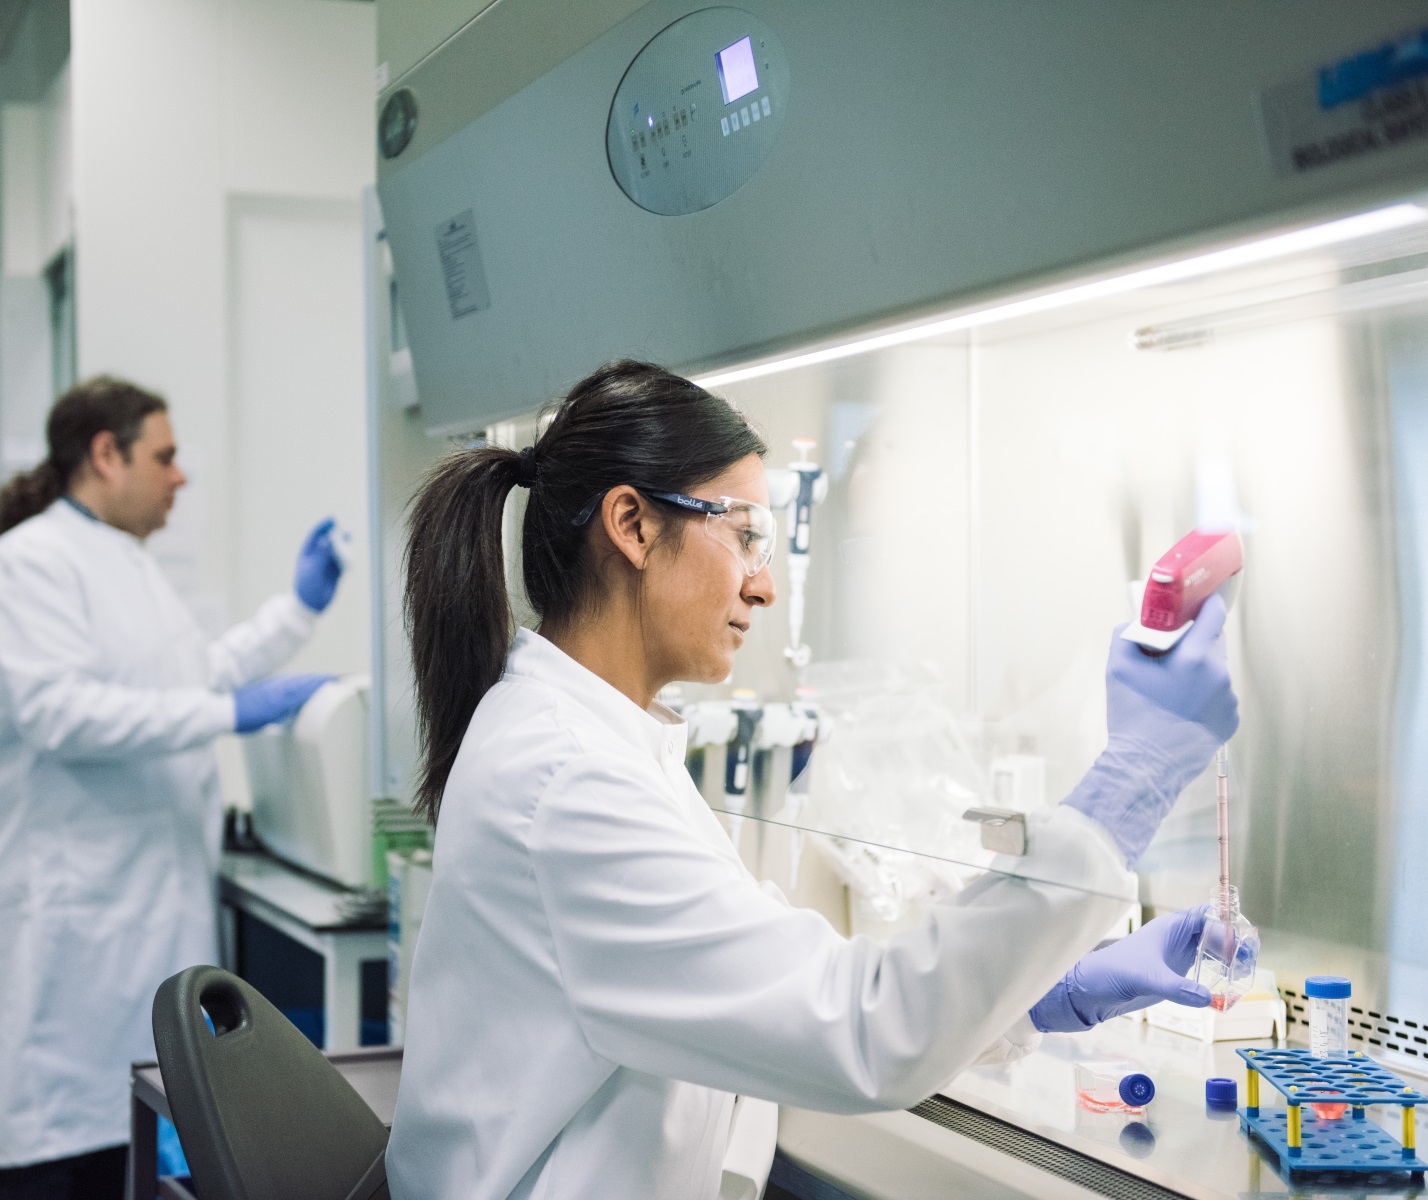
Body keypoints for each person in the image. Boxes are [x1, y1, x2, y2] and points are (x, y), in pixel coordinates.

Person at [385, 361, 1238, 1200]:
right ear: (633, 526)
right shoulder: (566, 782)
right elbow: (861, 1030)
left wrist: (1055, 990)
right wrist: (1130, 785)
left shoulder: (595, 743)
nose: (762, 585)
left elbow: (780, 983)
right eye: (745, 532)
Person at [0, 376, 347, 1198]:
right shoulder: (34, 562)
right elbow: (60, 713)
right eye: (165, 456)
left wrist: (295, 613)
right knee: (66, 1161)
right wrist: (229, 710)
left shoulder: (126, 562)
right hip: (77, 931)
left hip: (139, 919)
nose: (179, 477)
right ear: (106, 455)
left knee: (128, 1145)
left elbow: (195, 677)